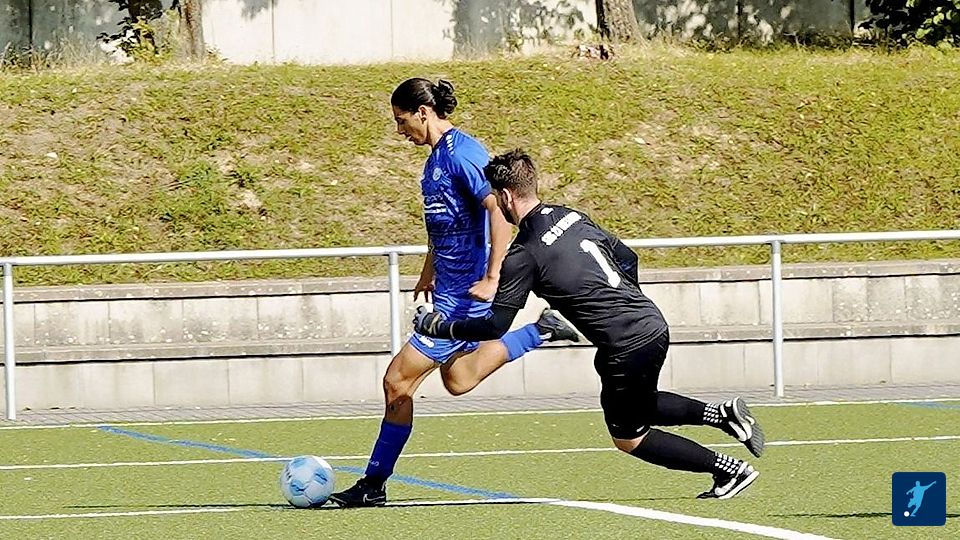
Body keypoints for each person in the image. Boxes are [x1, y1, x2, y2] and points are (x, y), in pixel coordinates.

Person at [413, 149, 766, 500]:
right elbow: (627, 257)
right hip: (650, 323)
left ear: (505, 196)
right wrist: (627, 306)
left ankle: (728, 469)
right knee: (637, 405)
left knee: (629, 437)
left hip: (627, 344)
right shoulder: (570, 215)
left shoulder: (523, 254)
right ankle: (723, 414)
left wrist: (438, 327)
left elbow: (494, 327)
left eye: (494, 195)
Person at [329, 81, 577, 508]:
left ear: (423, 112)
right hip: (447, 288)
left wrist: (493, 275)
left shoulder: (463, 152)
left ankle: (374, 483)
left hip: (464, 296)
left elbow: (499, 209)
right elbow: (442, 223)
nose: (400, 131)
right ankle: (541, 330)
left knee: (396, 380)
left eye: (402, 121)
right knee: (458, 379)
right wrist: (428, 272)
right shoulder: (434, 161)